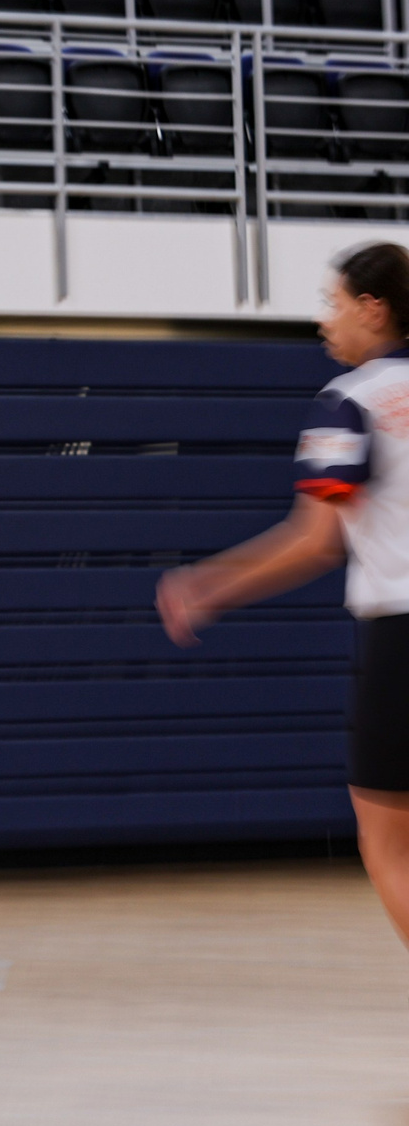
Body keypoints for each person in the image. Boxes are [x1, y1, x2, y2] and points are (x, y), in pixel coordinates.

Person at [161, 241, 409, 953]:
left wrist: (208, 583)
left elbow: (318, 539)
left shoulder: (349, 402)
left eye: (333, 302)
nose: (323, 319)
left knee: (388, 842)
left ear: (374, 306)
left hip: (401, 636)